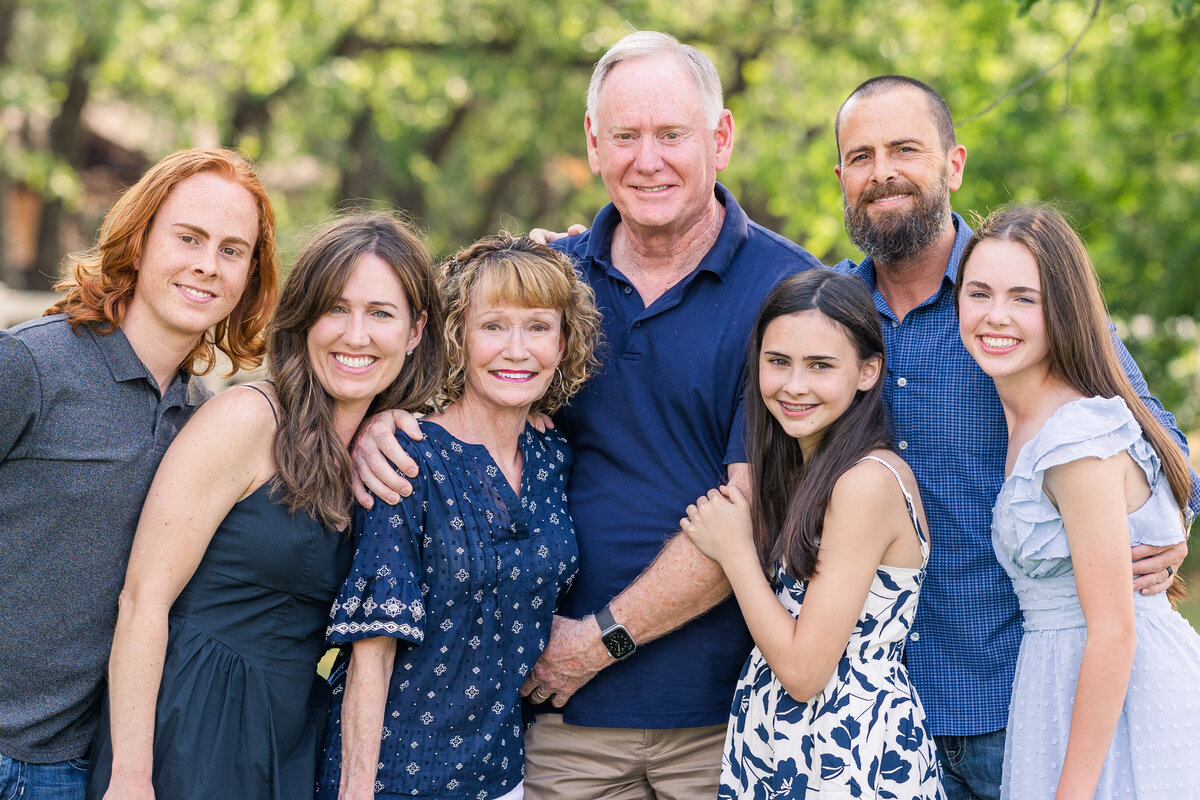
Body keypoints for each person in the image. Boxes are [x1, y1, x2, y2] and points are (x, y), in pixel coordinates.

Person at [349, 31, 823, 798]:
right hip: (554, 726)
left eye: (672, 135)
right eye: (626, 137)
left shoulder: (790, 292)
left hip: (721, 716)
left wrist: (598, 643)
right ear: (593, 145)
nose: (649, 159)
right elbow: (446, 382)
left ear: (721, 138)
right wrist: (382, 421)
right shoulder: (547, 288)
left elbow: (756, 509)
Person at [831, 75, 1200, 799]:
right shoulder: (829, 317)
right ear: (842, 175)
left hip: (1021, 706)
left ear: (953, 163)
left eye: (905, 148)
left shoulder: (1023, 293)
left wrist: (1166, 531)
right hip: (880, 715)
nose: (883, 172)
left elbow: (1158, 445)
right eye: (862, 155)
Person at [87, 213, 442, 800]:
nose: (356, 336)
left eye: (380, 313)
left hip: (291, 733)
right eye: (335, 308)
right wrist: (130, 775)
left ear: (414, 331)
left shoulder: (381, 451)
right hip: (189, 724)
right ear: (303, 320)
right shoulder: (248, 419)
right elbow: (142, 600)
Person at [0, 148, 278, 800]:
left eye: (233, 250)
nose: (208, 264)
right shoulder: (32, 367)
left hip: (68, 769)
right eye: (189, 238)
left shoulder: (205, 425)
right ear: (140, 239)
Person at [316, 235, 601, 800]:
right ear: (457, 337)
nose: (516, 350)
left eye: (538, 327)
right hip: (397, 777)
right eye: (493, 325)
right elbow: (370, 655)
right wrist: (355, 791)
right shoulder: (409, 458)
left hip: (504, 774)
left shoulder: (553, 457)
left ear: (565, 342)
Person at [955, 205, 1200, 798]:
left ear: (1062, 310)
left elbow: (1114, 631)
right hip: (1059, 681)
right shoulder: (1031, 414)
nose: (995, 316)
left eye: (1023, 298)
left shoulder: (1073, 439)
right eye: (978, 293)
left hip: (1119, 696)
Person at [682, 269, 944, 799]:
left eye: (820, 366)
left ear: (868, 372)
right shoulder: (811, 470)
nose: (794, 385)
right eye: (778, 362)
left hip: (848, 755)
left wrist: (735, 552)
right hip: (791, 745)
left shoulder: (864, 483)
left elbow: (804, 672)